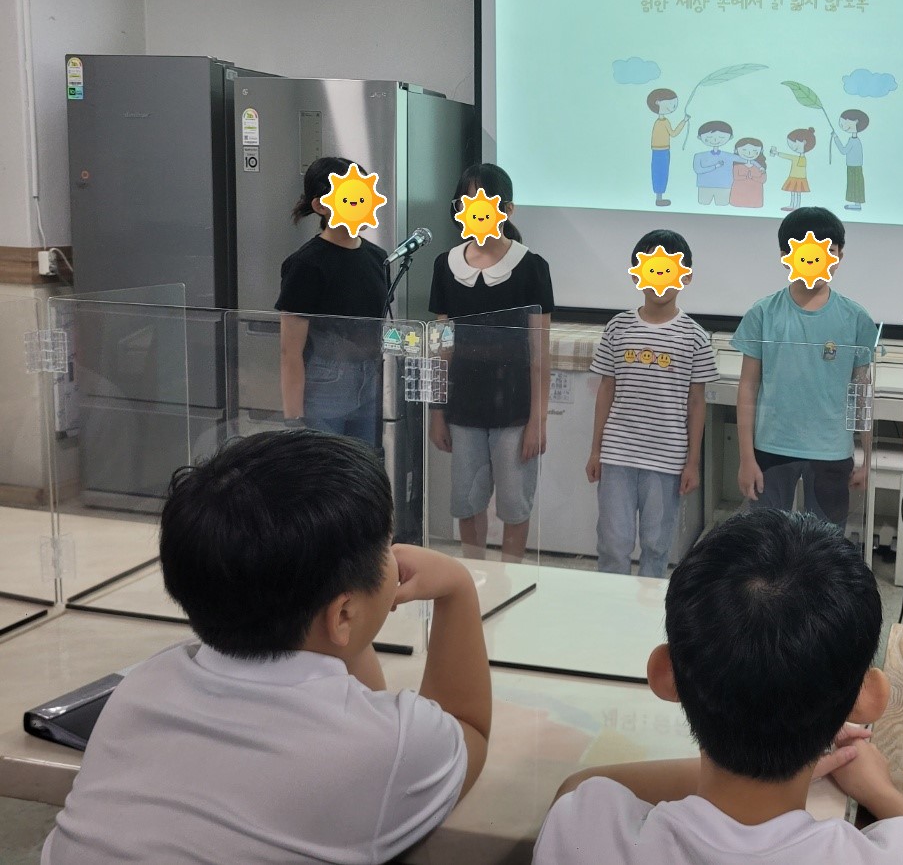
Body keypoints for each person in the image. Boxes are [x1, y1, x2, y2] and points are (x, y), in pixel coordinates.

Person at [42, 430, 492, 864]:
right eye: (386, 548)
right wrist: (457, 588)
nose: (394, 558)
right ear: (342, 614)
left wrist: (344, 616)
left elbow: (351, 684)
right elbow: (467, 728)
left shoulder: (144, 685)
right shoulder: (386, 746)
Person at [535, 507, 903, 865]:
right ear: (869, 698)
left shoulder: (581, 832)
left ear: (664, 674)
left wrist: (756, 751)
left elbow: (580, 784)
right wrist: (881, 792)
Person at [429, 163, 553, 561]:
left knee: (515, 505)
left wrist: (538, 419)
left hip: (515, 409)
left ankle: (511, 578)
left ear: (507, 210)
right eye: (467, 202)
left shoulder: (532, 266)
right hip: (463, 407)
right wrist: (436, 410)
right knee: (467, 501)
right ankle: (475, 578)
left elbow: (540, 353)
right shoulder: (445, 265)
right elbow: (441, 345)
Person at [734, 207, 875, 533]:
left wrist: (868, 458)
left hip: (831, 452)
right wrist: (746, 458)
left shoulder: (856, 318)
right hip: (771, 448)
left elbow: (862, 393)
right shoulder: (763, 313)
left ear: (839, 256)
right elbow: (747, 387)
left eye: (828, 251)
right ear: (786, 256)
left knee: (825, 547)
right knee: (766, 544)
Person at [587, 230, 719, 577]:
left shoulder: (695, 336)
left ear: (685, 276)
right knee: (613, 543)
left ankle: (648, 606)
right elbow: (606, 389)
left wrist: (692, 462)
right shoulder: (618, 327)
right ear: (636, 275)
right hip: (617, 452)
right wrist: (595, 450)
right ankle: (611, 603)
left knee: (657, 545)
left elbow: (697, 402)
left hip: (667, 458)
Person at [276, 155, 390, 447]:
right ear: (320, 205)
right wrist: (294, 419)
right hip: (325, 382)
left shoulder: (378, 258)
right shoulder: (306, 264)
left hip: (370, 378)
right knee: (326, 466)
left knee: (363, 464)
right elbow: (290, 351)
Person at [647, 87, 689, 207]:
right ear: (658, 102)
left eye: (674, 105)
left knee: (661, 173)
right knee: (660, 173)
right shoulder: (662, 122)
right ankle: (659, 198)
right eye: (670, 104)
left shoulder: (663, 121)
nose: (673, 107)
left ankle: (659, 197)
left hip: (661, 150)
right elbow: (673, 133)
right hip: (660, 151)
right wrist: (684, 121)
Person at [832, 109, 869, 211]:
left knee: (855, 185)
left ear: (856, 121)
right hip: (853, 166)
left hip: (854, 167)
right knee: (854, 184)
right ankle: (856, 204)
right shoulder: (854, 140)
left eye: (845, 123)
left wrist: (836, 138)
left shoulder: (854, 141)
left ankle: (857, 204)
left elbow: (843, 151)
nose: (843, 126)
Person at [772, 127, 816, 212]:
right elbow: (788, 156)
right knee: (793, 192)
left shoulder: (801, 158)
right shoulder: (796, 157)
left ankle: (797, 206)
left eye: (794, 144)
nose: (792, 147)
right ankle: (792, 205)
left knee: (798, 193)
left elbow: (789, 157)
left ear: (804, 142)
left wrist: (777, 153)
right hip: (793, 177)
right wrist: (777, 153)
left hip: (800, 178)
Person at [693, 120, 735, 206]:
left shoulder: (729, 156)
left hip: (724, 186)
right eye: (709, 137)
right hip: (704, 185)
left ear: (730, 137)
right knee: (703, 205)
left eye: (721, 137)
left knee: (723, 205)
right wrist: (715, 166)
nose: (715, 140)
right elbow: (698, 170)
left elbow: (745, 160)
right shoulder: (699, 156)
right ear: (699, 137)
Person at [729, 136, 767, 208]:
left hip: (755, 191)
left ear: (761, 151)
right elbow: (735, 177)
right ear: (736, 150)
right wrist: (746, 176)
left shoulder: (759, 167)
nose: (749, 153)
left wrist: (753, 177)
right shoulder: (737, 165)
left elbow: (763, 179)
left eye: (754, 151)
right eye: (744, 150)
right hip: (739, 190)